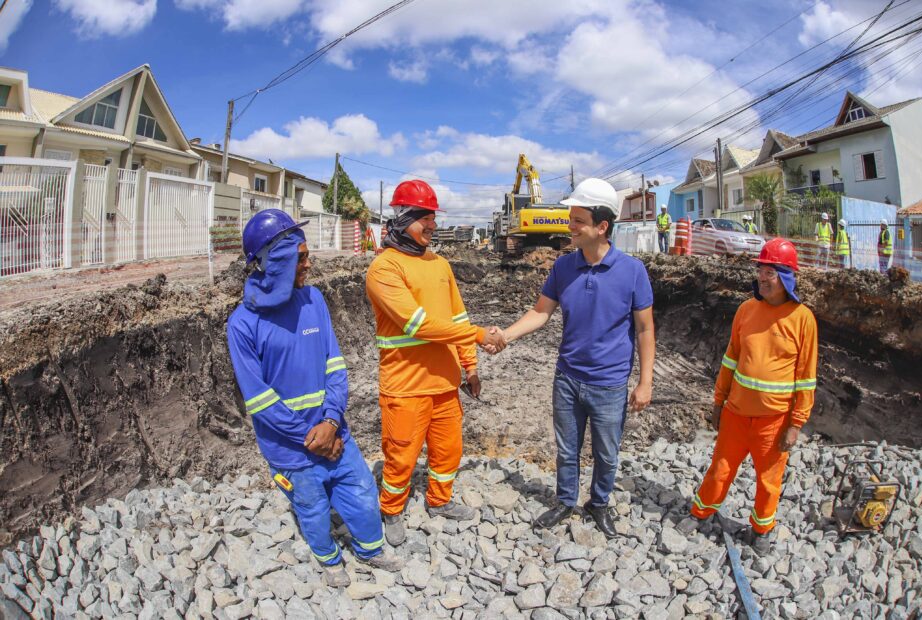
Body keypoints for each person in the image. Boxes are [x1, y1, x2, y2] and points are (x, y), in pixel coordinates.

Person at [226, 209, 402, 587]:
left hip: (334, 433)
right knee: (312, 508)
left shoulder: (314, 300)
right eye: (301, 257)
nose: (309, 263)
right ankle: (329, 560)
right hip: (292, 449)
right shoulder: (242, 323)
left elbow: (335, 366)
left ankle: (371, 550)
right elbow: (258, 400)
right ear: (275, 261)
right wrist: (312, 438)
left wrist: (331, 422)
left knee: (361, 492)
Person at [486, 177, 655, 539]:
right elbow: (541, 312)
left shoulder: (633, 272)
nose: (570, 227)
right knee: (566, 449)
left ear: (602, 226)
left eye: (578, 220)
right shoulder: (563, 267)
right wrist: (506, 336)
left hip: (609, 385)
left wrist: (645, 382)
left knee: (607, 454)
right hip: (567, 379)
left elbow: (645, 330)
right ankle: (565, 500)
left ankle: (599, 502)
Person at [366, 179, 505, 546]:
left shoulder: (440, 264)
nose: (432, 225)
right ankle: (391, 509)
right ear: (400, 220)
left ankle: (439, 501)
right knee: (401, 455)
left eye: (432, 218)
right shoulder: (384, 269)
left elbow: (457, 319)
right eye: (423, 218)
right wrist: (479, 335)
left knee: (448, 451)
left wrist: (470, 366)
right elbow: (417, 324)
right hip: (406, 387)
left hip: (444, 385)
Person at [690, 238, 817, 554]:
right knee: (720, 468)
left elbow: (805, 378)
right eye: (760, 270)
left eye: (769, 272)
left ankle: (762, 530)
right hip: (735, 413)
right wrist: (718, 402)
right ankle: (701, 512)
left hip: (773, 421)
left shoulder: (803, 319)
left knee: (769, 480)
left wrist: (796, 424)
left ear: (786, 277)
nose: (761, 277)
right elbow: (730, 358)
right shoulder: (746, 309)